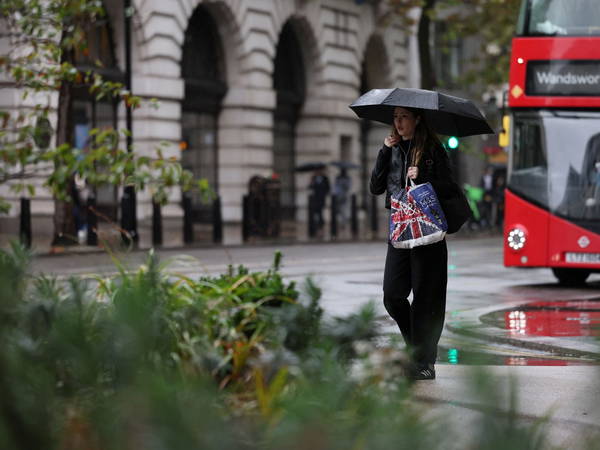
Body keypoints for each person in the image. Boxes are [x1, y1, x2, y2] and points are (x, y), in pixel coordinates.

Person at [370, 106, 455, 380]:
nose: (398, 122)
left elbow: (450, 188)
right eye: (395, 117)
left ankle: (425, 362)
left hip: (427, 234)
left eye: (404, 116)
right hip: (400, 230)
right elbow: (375, 186)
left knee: (426, 300)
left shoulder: (432, 149)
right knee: (392, 296)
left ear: (417, 120)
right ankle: (415, 349)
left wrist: (425, 177)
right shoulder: (391, 148)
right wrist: (384, 151)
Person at [309, 168, 330, 235]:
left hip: (321, 197)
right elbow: (310, 187)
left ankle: (320, 224)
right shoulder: (313, 178)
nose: (318, 172)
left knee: (320, 211)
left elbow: (328, 187)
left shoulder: (325, 178)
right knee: (315, 211)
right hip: (315, 198)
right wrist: (311, 182)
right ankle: (317, 224)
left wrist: (325, 193)